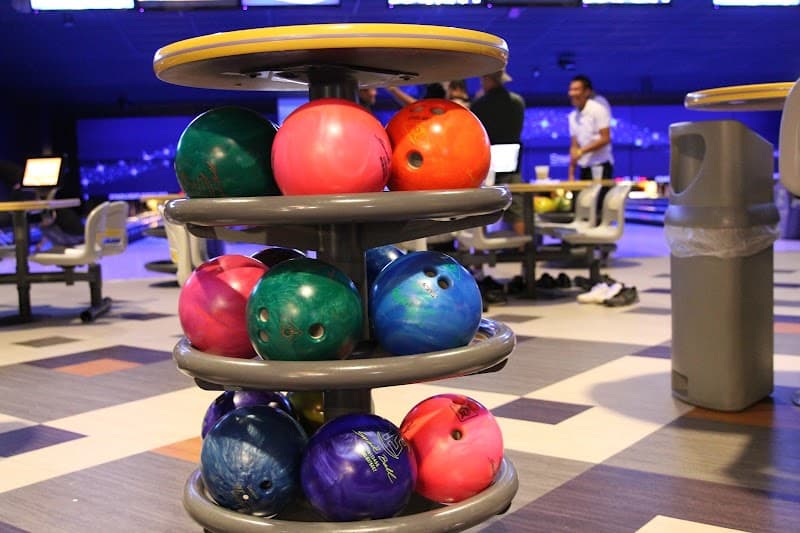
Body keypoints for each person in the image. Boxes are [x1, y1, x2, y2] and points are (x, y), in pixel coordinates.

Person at [470, 69, 526, 236]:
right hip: (512, 159)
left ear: (487, 79)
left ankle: (480, 251)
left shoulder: (479, 104)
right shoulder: (518, 102)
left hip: (488, 161)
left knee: (483, 206)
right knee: (516, 206)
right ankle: (523, 251)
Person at [567, 74, 614, 183]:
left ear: (587, 92)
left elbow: (605, 138)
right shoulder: (572, 116)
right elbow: (574, 146)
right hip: (584, 167)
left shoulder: (598, 109)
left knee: (598, 200)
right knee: (581, 200)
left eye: (576, 90)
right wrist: (571, 174)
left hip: (601, 165)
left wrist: (582, 151)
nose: (572, 93)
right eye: (571, 90)